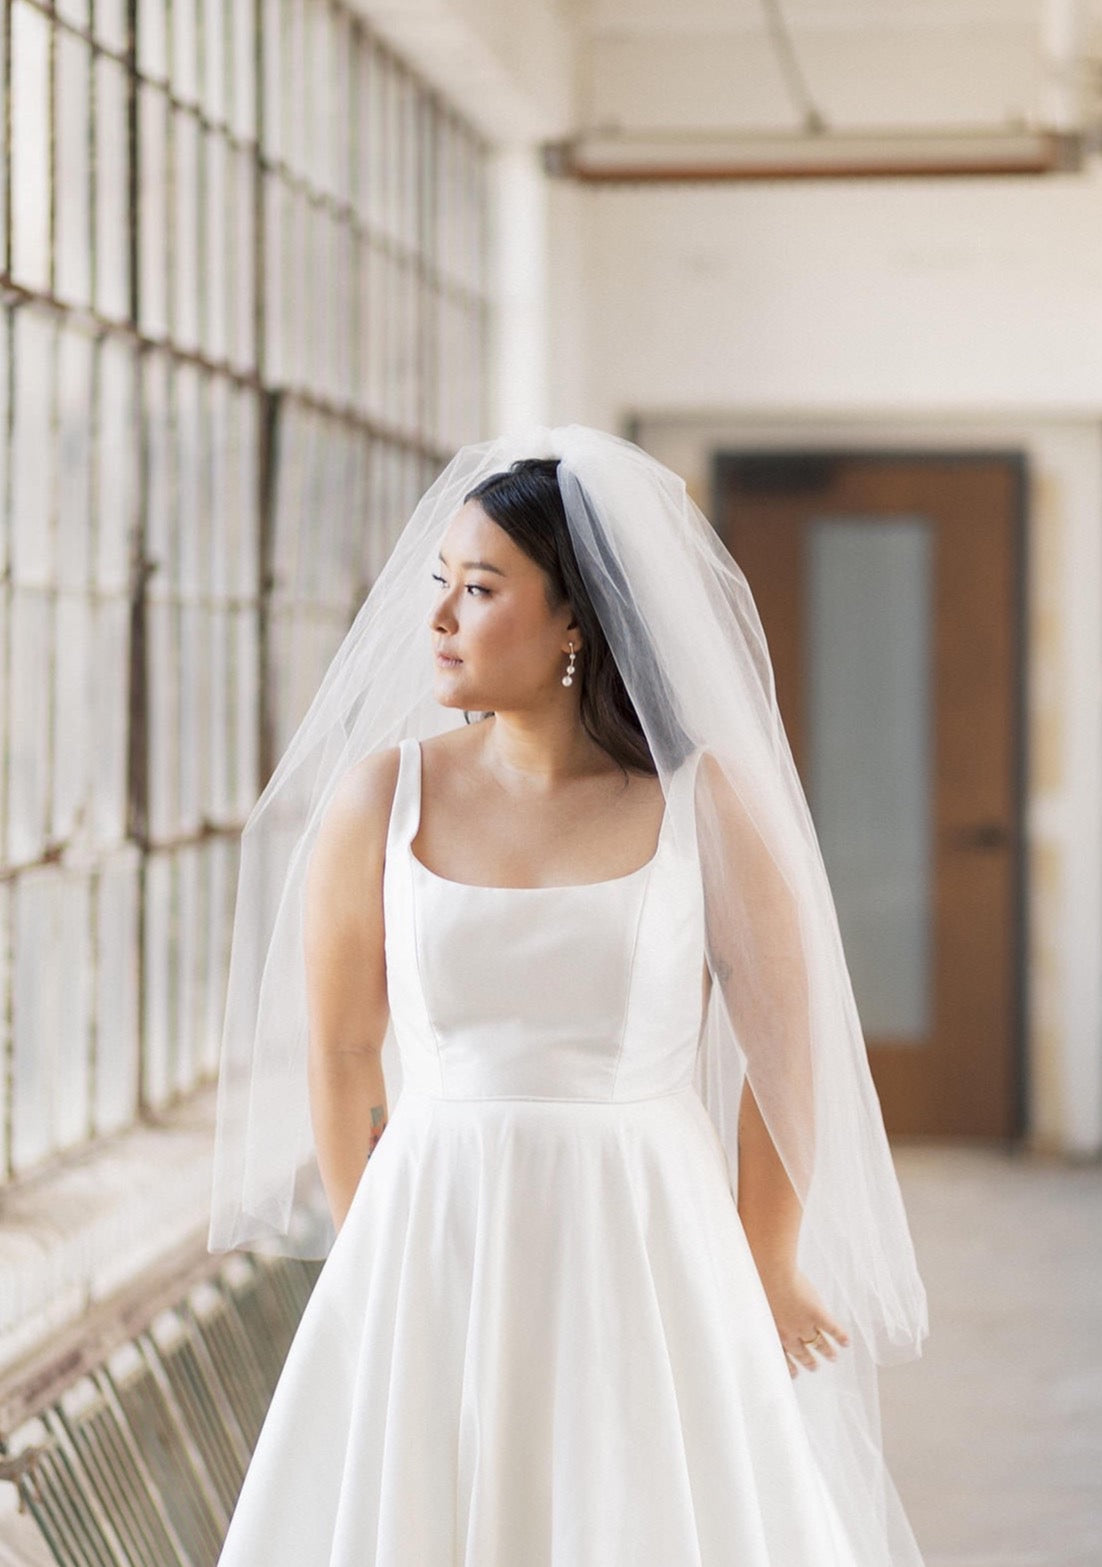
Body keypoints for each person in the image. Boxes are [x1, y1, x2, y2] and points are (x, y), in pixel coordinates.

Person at [210, 426, 928, 1565]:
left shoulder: (703, 806)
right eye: (438, 583)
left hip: (648, 1233)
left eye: (480, 587)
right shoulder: (380, 799)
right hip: (431, 1226)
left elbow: (791, 1059)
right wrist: (372, 1254)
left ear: (576, 623)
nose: (438, 617)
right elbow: (346, 1051)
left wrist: (764, 1262)